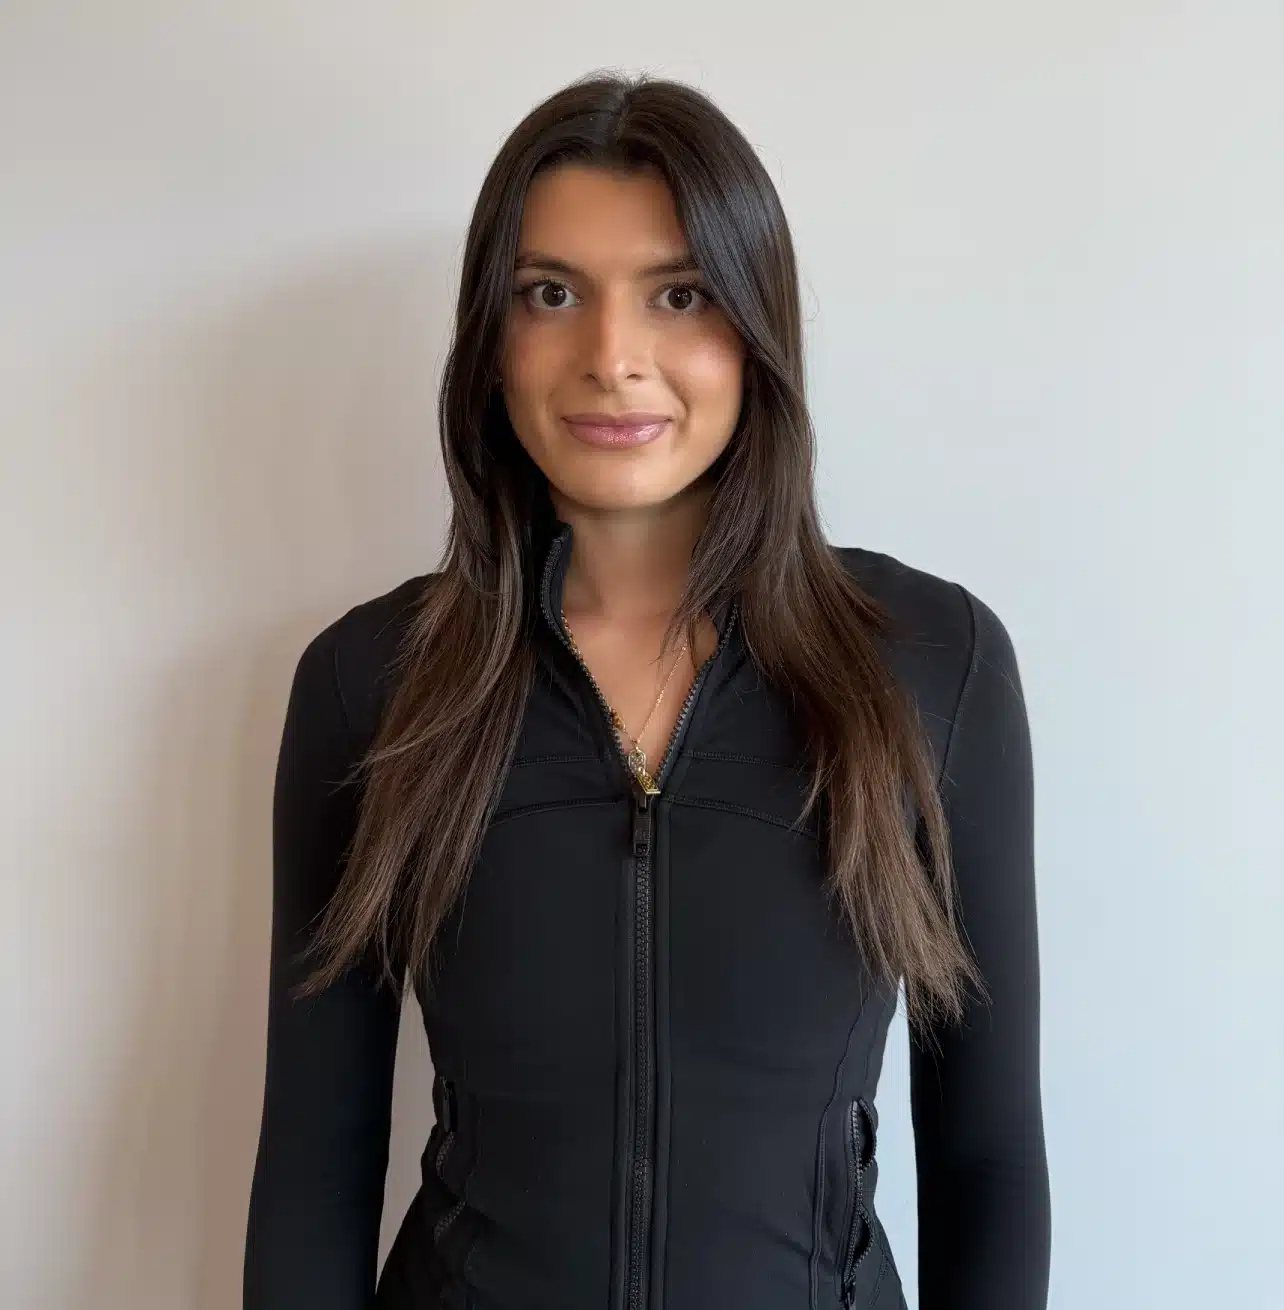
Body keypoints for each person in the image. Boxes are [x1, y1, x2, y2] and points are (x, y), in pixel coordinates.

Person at [243, 72, 1051, 1310]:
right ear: (491, 339)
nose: (612, 358)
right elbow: (313, 1159)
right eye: (550, 293)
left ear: (753, 328)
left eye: (679, 294)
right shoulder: (371, 684)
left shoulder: (934, 666)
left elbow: (988, 1158)